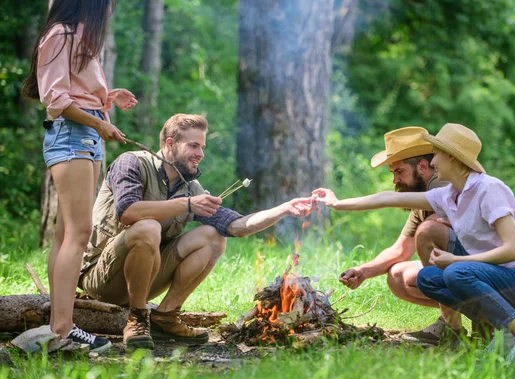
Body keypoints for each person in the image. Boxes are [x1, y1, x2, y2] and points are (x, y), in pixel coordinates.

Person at [314, 123, 515, 361]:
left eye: (438, 153)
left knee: (455, 272)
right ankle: (502, 333)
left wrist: (458, 260)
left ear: (452, 157)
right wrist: (337, 203)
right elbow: (387, 198)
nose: (432, 161)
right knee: (428, 278)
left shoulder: (489, 189)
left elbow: (514, 250)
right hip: (501, 279)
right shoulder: (448, 195)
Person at [79, 113, 314, 349]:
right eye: (193, 145)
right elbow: (128, 212)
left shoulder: (190, 187)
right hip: (101, 276)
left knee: (213, 237)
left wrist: (284, 209)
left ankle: (165, 317)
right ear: (170, 143)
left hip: (146, 276)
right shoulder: (131, 163)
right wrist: (188, 204)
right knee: (147, 226)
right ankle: (138, 319)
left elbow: (238, 226)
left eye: (202, 147)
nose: (200, 153)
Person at [21, 0, 137, 353]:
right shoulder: (61, 34)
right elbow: (55, 98)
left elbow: (75, 91)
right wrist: (99, 121)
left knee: (65, 233)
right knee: (80, 232)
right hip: (71, 135)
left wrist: (105, 99)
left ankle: (59, 325)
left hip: (84, 134)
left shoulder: (80, 37)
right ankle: (62, 328)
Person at [338, 127, 469, 345]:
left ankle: (461, 326)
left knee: (429, 230)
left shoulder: (442, 184)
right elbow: (400, 250)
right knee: (398, 276)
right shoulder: (421, 198)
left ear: (422, 166)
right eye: (393, 173)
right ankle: (453, 323)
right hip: (462, 270)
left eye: (399, 172)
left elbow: (437, 233)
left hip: (489, 267)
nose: (394, 180)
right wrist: (363, 271)